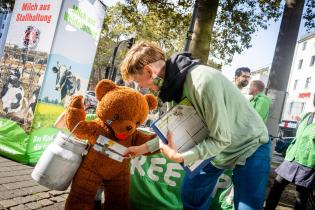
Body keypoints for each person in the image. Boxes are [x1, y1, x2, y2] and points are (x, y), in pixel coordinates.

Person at [120, 40, 270, 210]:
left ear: (148, 71)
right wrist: (141, 149)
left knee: (247, 207)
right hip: (218, 150)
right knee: (190, 194)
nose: (142, 87)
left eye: (139, 82)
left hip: (250, 146)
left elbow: (221, 140)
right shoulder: (173, 89)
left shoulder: (202, 81)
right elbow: (171, 134)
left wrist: (181, 157)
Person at [265, 93, 315, 210]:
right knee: (276, 187)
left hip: (308, 164)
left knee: (301, 197)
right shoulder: (307, 116)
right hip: (291, 160)